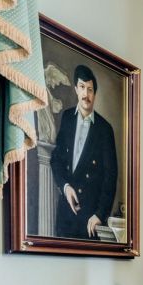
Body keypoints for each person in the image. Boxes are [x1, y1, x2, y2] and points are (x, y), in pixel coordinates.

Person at [50, 64, 119, 240]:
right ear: (76, 89)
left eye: (90, 89)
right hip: (65, 215)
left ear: (94, 94)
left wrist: (100, 215)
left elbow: (110, 177)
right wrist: (65, 187)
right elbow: (56, 159)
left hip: (90, 219)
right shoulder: (67, 118)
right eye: (82, 87)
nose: (86, 94)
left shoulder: (105, 129)